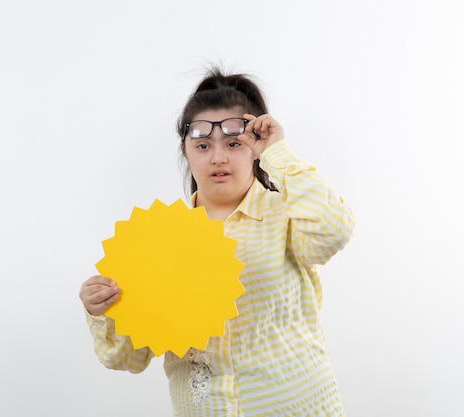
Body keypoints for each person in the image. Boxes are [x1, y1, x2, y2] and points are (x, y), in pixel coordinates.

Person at [79, 67, 355, 416]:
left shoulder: (285, 212)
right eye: (203, 145)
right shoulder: (155, 241)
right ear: (186, 152)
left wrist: (279, 154)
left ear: (255, 149)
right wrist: (99, 310)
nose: (218, 158)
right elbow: (126, 359)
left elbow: (335, 231)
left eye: (234, 144)